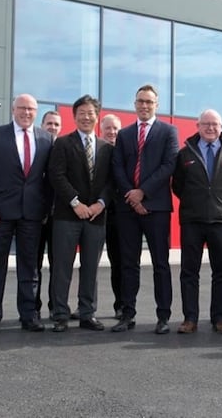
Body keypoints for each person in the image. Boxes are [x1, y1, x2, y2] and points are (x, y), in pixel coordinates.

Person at [0, 93, 53, 333]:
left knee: (29, 268)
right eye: (22, 108)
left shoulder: (46, 138)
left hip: (32, 214)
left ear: (36, 111)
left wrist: (45, 209)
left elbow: (49, 179)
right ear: (13, 110)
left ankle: (29, 316)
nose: (26, 112)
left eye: (31, 109)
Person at [111, 85, 178, 335]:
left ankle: (163, 317)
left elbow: (169, 165)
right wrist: (132, 195)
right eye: (140, 101)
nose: (144, 106)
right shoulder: (125, 134)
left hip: (157, 207)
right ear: (135, 103)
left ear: (156, 105)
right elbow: (118, 167)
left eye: (149, 102)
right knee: (129, 263)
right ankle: (127, 314)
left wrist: (143, 192)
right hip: (128, 207)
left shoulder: (168, 131)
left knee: (161, 263)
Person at [172, 109, 222, 335]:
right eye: (206, 124)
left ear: (221, 126)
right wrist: (196, 201)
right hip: (192, 221)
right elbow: (178, 186)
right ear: (198, 126)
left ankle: (220, 318)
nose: (210, 128)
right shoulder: (185, 154)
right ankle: (190, 318)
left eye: (214, 124)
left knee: (221, 272)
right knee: (189, 271)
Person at [47, 96, 113, 332]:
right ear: (74, 116)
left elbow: (110, 181)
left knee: (90, 268)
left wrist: (101, 204)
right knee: (63, 267)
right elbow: (56, 175)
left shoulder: (107, 148)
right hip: (67, 215)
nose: (86, 117)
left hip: (96, 216)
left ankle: (87, 313)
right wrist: (76, 202)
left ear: (97, 116)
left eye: (91, 113)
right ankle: (61, 314)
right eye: (82, 113)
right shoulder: (63, 144)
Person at [35, 110, 62, 318]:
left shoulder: (63, 148)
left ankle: (55, 307)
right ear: (42, 125)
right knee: (33, 265)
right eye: (49, 123)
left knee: (58, 265)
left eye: (56, 124)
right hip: (35, 216)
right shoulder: (34, 148)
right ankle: (32, 308)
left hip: (59, 217)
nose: (52, 127)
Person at [100, 113, 124, 319]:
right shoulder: (96, 149)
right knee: (90, 263)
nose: (112, 132)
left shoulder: (124, 151)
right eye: (108, 128)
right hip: (94, 213)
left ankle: (121, 304)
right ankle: (86, 306)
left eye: (115, 128)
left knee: (119, 262)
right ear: (101, 129)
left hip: (118, 215)